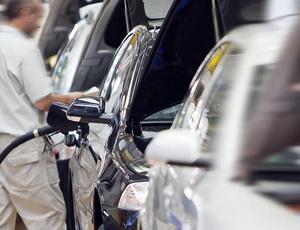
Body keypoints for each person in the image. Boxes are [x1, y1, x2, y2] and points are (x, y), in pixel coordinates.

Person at [0, 0, 84, 229]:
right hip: (22, 149)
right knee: (46, 219)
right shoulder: (22, 48)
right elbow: (43, 100)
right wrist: (76, 97)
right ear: (25, 13)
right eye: (37, 16)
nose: (39, 24)